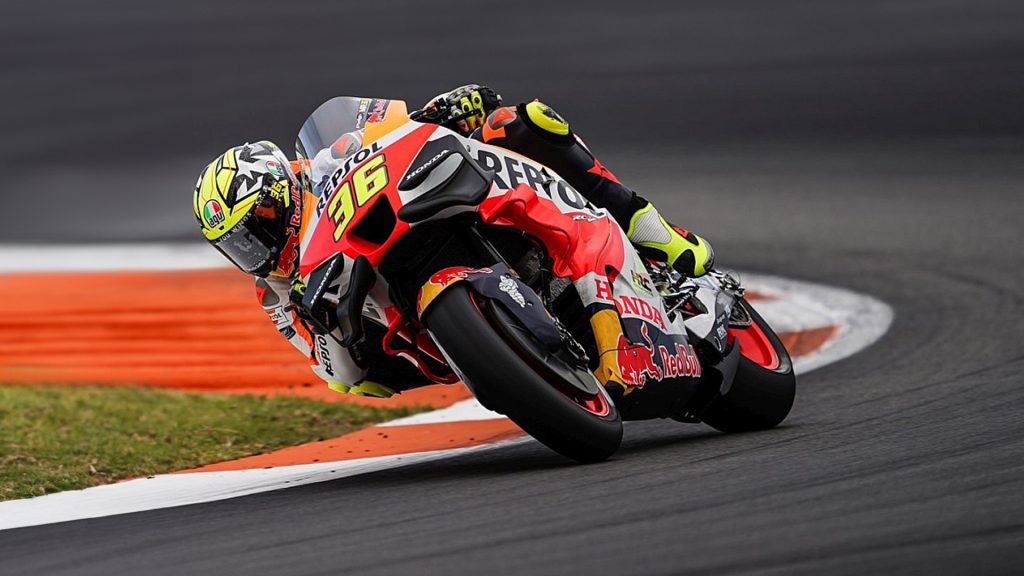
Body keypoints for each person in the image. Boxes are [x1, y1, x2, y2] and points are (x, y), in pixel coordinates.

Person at [191, 85, 714, 396]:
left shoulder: (328, 160)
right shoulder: (277, 294)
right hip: (408, 328)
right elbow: (341, 375)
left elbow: (391, 128)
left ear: (280, 191)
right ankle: (508, 357)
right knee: (368, 382)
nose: (256, 250)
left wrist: (443, 110)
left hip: (419, 209)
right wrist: (325, 324)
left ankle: (652, 230)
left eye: (257, 227)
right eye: (240, 246)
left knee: (520, 123)